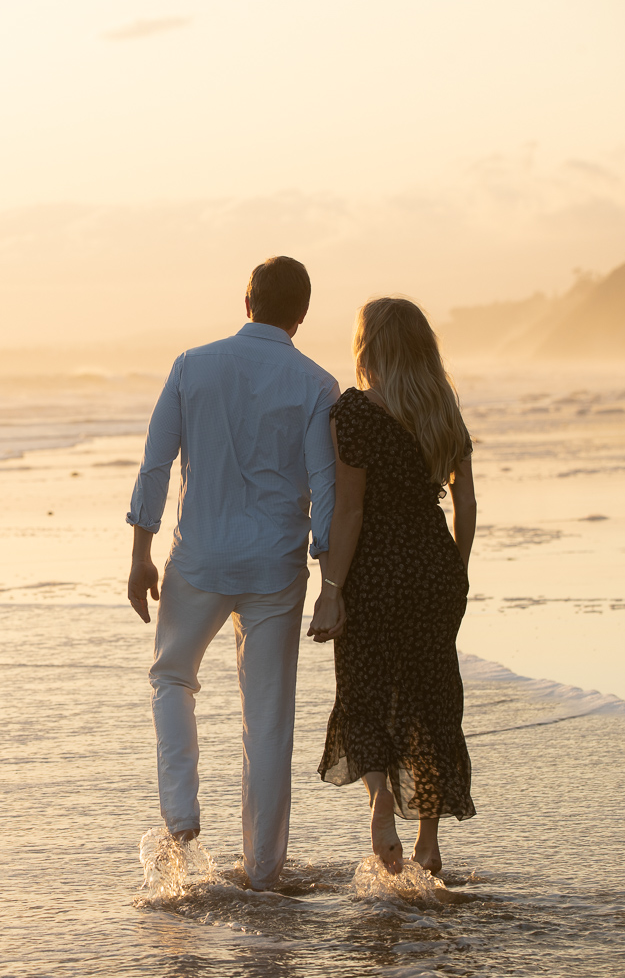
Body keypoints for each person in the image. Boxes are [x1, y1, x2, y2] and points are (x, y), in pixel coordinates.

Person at [127, 255, 340, 889]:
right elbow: (324, 487)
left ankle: (181, 815)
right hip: (276, 565)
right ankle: (263, 872)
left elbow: (156, 461)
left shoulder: (194, 365)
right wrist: (332, 579)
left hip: (200, 555)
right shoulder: (317, 383)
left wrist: (140, 549)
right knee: (268, 718)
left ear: (246, 301)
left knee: (171, 675)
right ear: (301, 315)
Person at [307, 296, 477, 877]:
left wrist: (331, 587)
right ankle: (429, 839)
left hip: (375, 568)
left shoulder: (355, 412)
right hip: (433, 568)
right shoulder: (442, 410)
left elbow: (349, 512)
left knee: (365, 689)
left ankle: (381, 797)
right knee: (432, 700)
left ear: (369, 346)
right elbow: (466, 502)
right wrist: (457, 571)